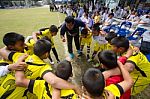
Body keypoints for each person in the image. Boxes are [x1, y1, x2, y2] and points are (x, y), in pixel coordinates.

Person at [0, 39, 80, 98]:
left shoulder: (20, 56)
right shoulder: (43, 67)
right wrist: (74, 87)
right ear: (46, 54)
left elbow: (2, 50)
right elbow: (53, 81)